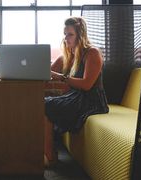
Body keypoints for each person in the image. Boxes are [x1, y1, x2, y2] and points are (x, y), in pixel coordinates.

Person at [44, 17, 109, 165]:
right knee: (42, 103)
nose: (66, 38)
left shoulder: (92, 53)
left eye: (70, 34)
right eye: (65, 34)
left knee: (46, 105)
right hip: (74, 97)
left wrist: (60, 77)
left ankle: (49, 155)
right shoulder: (67, 55)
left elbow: (86, 85)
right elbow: (47, 73)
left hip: (91, 100)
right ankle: (47, 152)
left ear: (80, 35)